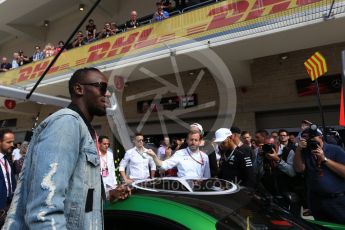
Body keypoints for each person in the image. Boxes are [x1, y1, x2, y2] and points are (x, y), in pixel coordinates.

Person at [3, 68, 130, 229]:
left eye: (109, 89)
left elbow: (76, 192)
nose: (107, 94)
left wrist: (106, 194)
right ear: (79, 89)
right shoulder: (66, 124)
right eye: (102, 87)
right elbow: (44, 212)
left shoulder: (83, 129)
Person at [294, 127, 345, 224]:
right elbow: (299, 169)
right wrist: (298, 150)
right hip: (316, 200)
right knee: (322, 226)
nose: (310, 140)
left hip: (336, 201)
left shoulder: (335, 150)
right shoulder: (304, 152)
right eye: (306, 138)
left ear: (321, 137)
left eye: (313, 137)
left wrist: (324, 159)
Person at [0, 129, 16, 227]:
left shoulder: (7, 160)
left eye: (13, 141)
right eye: (9, 142)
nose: (12, 144)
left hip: (8, 206)